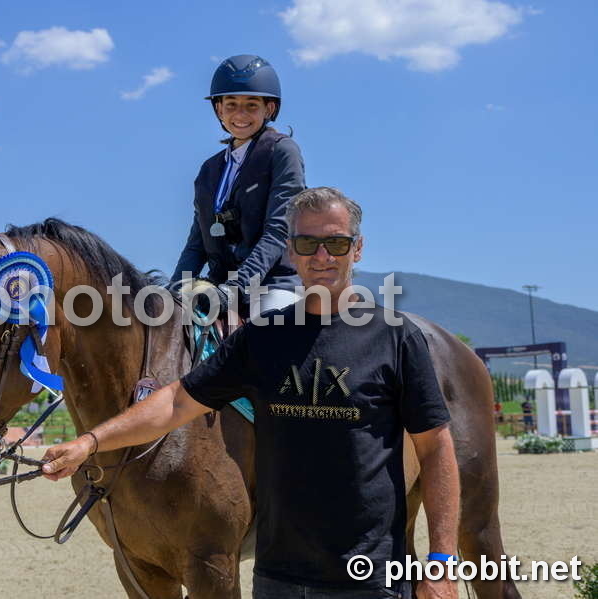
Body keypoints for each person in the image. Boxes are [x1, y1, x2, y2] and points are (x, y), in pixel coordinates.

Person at [42, 187, 460, 599]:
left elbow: (436, 449)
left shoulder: (396, 338)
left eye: (336, 243)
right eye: (307, 243)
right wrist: (90, 442)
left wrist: (442, 562)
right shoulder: (261, 339)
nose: (322, 256)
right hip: (279, 579)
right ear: (291, 250)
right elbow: (176, 401)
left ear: (358, 248)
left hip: (368, 579)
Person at [172, 55, 306, 317]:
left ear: (269, 109)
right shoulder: (209, 170)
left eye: (251, 105)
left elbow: (279, 229)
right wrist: (175, 288)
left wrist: (236, 288)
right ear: (219, 109)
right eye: (231, 104)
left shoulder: (282, 152)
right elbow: (197, 242)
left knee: (269, 331)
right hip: (217, 287)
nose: (240, 114)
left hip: (272, 284)